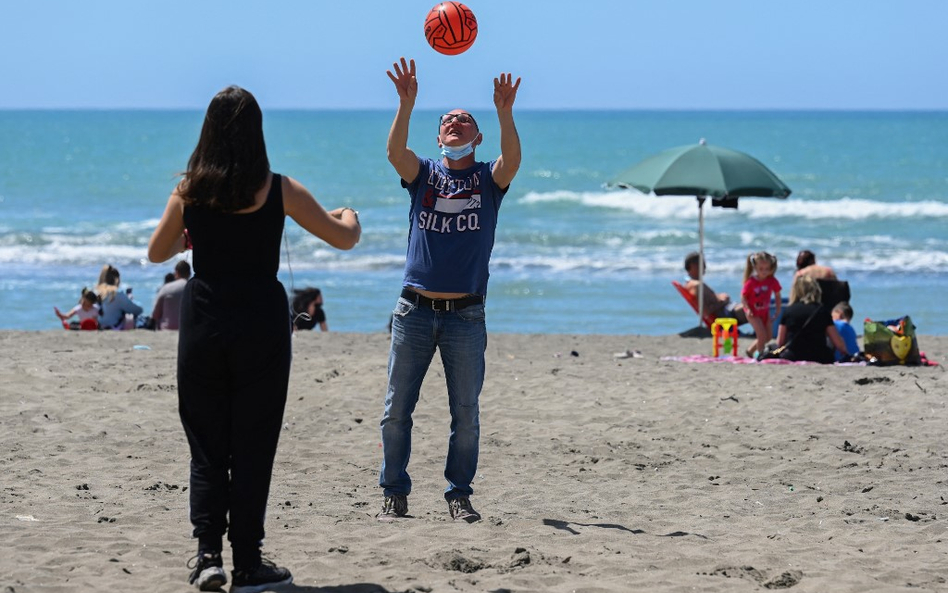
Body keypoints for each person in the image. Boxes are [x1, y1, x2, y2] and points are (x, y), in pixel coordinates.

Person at [147, 86, 360, 592]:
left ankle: (206, 556)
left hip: (204, 319)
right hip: (260, 324)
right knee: (253, 443)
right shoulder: (279, 188)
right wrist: (350, 214)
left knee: (206, 443)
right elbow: (342, 237)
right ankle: (247, 562)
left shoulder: (189, 191)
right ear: (257, 133)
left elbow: (158, 252)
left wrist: (195, 233)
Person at [377, 57, 521, 524]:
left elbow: (512, 161)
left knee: (466, 415)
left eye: (464, 121)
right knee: (397, 410)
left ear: (476, 139)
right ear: (439, 138)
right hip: (414, 309)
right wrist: (406, 104)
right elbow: (394, 152)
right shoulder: (422, 173)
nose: (454, 124)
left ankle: (459, 494)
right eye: (447, 122)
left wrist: (503, 113)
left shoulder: (485, 179)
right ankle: (394, 492)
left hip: (466, 316)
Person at [776, 275, 850, 363]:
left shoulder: (789, 311)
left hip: (794, 356)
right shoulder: (822, 310)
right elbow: (838, 343)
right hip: (820, 356)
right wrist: (846, 353)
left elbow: (780, 342)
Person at [682, 252, 747, 324]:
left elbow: (708, 301)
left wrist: (719, 297)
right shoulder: (696, 285)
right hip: (725, 315)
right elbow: (705, 312)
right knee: (753, 308)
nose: (704, 267)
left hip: (726, 310)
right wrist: (723, 301)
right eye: (702, 263)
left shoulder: (692, 283)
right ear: (693, 266)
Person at [741, 251, 782, 358]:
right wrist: (747, 309)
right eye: (761, 269)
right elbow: (743, 297)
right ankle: (760, 354)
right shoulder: (751, 282)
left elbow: (777, 295)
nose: (764, 272)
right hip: (752, 312)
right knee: (762, 335)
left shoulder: (771, 280)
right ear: (755, 267)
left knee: (768, 336)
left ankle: (750, 351)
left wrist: (778, 309)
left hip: (765, 312)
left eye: (766, 269)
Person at [95, 265, 143, 329]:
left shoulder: (94, 292)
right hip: (113, 327)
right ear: (117, 279)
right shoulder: (117, 294)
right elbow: (138, 310)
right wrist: (129, 298)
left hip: (96, 326)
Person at [151, 260, 192, 330]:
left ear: (176, 273)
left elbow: (155, 314)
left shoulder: (166, 288)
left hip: (167, 328)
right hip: (189, 329)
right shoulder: (194, 289)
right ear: (189, 274)